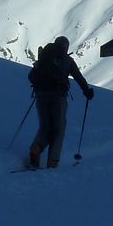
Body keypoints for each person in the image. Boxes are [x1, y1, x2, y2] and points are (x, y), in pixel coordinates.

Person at [28, 36, 94, 169]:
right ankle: (52, 162)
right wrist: (87, 91)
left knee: (45, 127)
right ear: (66, 47)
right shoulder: (67, 60)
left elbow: (31, 76)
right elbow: (78, 77)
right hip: (58, 98)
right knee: (58, 130)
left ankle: (36, 148)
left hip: (41, 96)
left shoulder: (45, 56)